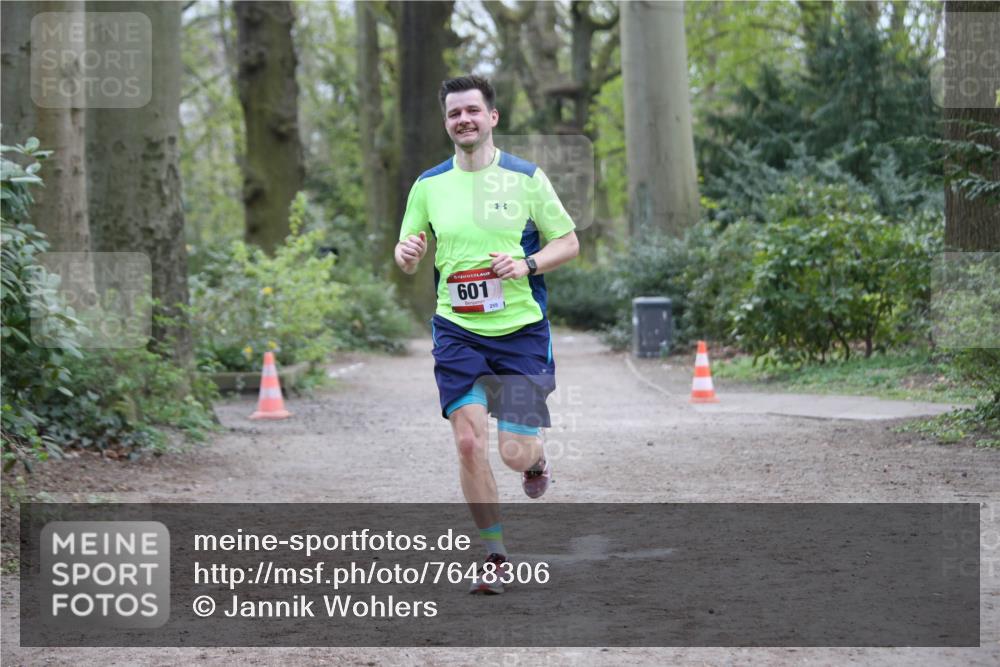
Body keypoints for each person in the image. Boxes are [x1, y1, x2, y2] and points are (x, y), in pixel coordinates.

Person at [394, 75, 579, 594]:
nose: (463, 120)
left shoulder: (526, 177)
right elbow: (408, 251)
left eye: (472, 111)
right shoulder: (428, 185)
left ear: (492, 117)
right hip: (457, 330)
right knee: (470, 440)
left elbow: (568, 242)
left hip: (520, 331)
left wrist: (527, 264)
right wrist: (406, 254)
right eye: (454, 114)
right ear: (447, 123)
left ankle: (536, 460)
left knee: (513, 452)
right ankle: (494, 554)